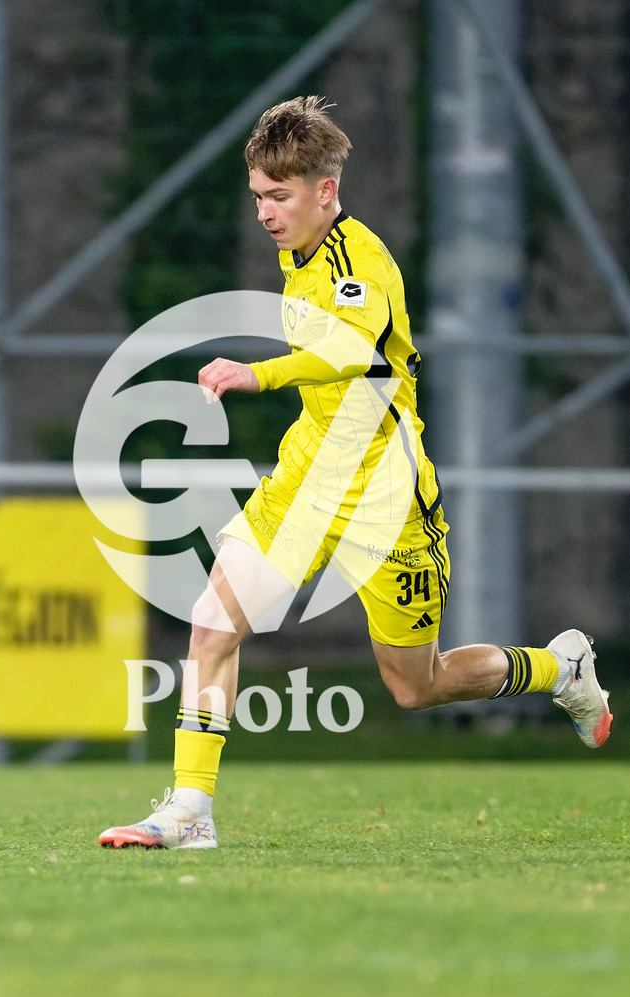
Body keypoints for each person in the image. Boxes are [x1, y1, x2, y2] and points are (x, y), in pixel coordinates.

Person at [99, 96, 612, 850]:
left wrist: (260, 375)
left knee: (416, 684)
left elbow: (353, 353)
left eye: (279, 197)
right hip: (306, 479)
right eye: (258, 198)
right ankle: (188, 813)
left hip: (385, 499)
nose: (266, 214)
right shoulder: (296, 250)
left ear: (325, 192)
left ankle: (556, 668)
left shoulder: (355, 263)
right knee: (211, 626)